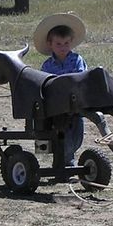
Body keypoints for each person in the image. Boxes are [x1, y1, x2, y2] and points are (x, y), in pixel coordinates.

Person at [33, 13, 87, 167]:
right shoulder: (47, 65)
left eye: (66, 43)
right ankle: (63, 160)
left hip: (74, 104)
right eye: (58, 44)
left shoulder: (77, 60)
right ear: (50, 44)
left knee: (75, 132)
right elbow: (43, 84)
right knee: (54, 130)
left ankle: (68, 158)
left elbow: (80, 78)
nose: (63, 47)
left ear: (71, 43)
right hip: (55, 107)